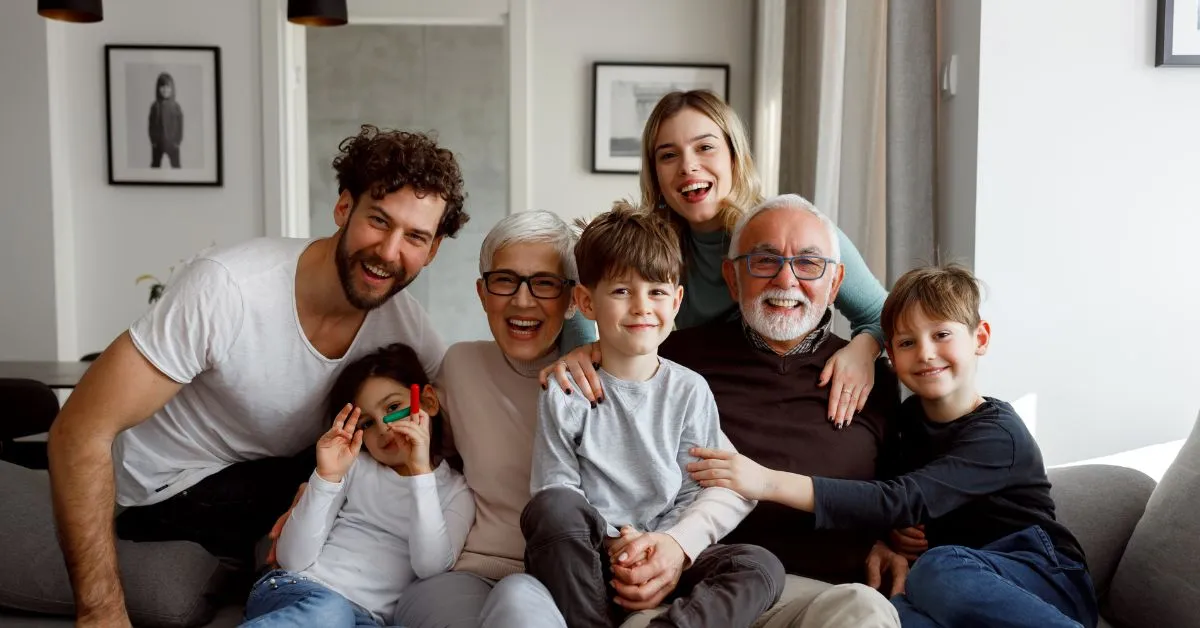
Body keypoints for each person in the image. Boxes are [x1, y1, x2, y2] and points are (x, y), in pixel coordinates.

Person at [43, 124, 466, 627]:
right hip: (164, 493)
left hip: (266, 479)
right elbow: (78, 430)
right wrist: (101, 614)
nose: (390, 251)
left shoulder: (404, 323)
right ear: (343, 208)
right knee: (335, 470)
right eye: (378, 220)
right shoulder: (229, 288)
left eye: (415, 237)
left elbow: (462, 415)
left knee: (363, 461)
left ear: (433, 249)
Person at [391, 211, 753, 628]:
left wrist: (673, 544)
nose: (522, 301)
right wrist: (328, 487)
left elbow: (725, 483)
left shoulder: (609, 377)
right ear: (482, 291)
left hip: (589, 568)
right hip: (483, 566)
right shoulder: (460, 365)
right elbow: (416, 445)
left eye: (544, 284)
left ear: (570, 301)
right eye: (504, 280)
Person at [688, 264, 1098, 628]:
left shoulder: (999, 435)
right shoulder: (903, 422)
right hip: (950, 587)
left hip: (1040, 576)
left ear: (980, 338)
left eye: (941, 335)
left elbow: (900, 498)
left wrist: (767, 482)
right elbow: (882, 495)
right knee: (892, 611)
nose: (926, 354)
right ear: (891, 355)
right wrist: (887, 538)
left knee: (938, 567)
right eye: (906, 342)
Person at [628, 194, 902, 628]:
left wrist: (894, 543)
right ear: (732, 278)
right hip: (697, 592)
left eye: (808, 264)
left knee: (865, 611)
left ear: (835, 283)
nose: (786, 279)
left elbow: (900, 492)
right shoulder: (668, 360)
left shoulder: (876, 379)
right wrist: (583, 354)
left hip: (820, 599)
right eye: (764, 261)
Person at [550, 89, 887, 427]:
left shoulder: (791, 230)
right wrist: (585, 348)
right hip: (702, 401)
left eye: (705, 147)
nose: (688, 166)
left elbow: (883, 314)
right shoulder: (654, 245)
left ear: (734, 156)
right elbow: (582, 280)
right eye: (668, 155)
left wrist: (863, 350)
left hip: (790, 393)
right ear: (655, 175)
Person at [521, 204, 783, 628]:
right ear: (587, 301)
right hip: (590, 564)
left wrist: (660, 544)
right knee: (552, 508)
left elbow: (693, 489)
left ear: (677, 300)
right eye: (622, 291)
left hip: (663, 556)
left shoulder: (689, 390)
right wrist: (614, 540)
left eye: (657, 291)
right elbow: (556, 486)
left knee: (760, 565)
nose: (643, 307)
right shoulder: (565, 390)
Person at [243, 343, 473, 627]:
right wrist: (326, 478)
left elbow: (430, 567)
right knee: (330, 611)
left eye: (393, 408)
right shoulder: (355, 467)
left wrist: (420, 472)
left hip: (365, 618)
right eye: (366, 424)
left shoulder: (457, 490)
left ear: (427, 402)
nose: (384, 427)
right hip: (300, 590)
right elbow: (292, 559)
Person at [149, 72, 183, 168]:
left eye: (168, 87)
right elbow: (151, 125)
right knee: (155, 165)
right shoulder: (155, 106)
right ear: (158, 88)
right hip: (158, 143)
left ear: (172, 88)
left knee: (176, 166)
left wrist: (177, 141)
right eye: (162, 87)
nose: (165, 90)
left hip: (173, 143)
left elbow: (180, 125)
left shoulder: (176, 107)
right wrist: (153, 140)